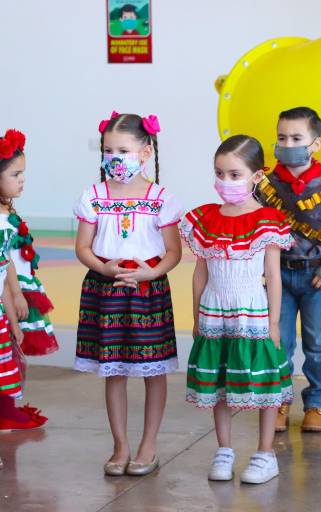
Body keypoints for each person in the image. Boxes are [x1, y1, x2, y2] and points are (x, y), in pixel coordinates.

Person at [73, 112, 182, 476]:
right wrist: (105, 268)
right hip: (106, 289)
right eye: (109, 150)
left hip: (148, 290)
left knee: (154, 370)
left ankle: (148, 445)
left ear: (145, 152)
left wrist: (150, 272)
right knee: (114, 370)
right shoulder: (93, 196)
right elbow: (83, 247)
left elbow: (173, 252)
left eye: (123, 150)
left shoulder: (161, 199)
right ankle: (120, 445)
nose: (114, 158)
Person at [181, 135, 294, 484]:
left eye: (234, 175)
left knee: (263, 383)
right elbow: (200, 272)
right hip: (215, 311)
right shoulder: (205, 219)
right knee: (219, 382)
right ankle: (224, 450)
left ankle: (265, 453)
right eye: (219, 173)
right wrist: (197, 315)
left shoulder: (267, 221)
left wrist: (274, 322)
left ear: (256, 176)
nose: (225, 181)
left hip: (252, 312)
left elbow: (273, 276)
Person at [256, 106, 321, 433]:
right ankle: (279, 401)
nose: (288, 144)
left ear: (315, 144)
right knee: (278, 341)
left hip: (315, 279)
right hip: (278, 277)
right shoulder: (266, 186)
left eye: (297, 138)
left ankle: (317, 403)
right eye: (282, 137)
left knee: (317, 343)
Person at [0, 128, 48, 431]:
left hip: (2, 306)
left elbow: (4, 267)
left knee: (8, 357)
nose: (22, 180)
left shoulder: (6, 212)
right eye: (15, 174)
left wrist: (14, 311)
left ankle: (6, 409)